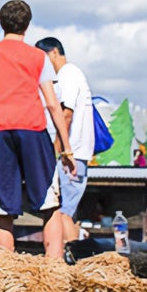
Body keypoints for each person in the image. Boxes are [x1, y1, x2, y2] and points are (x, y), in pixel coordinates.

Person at [0, 0, 75, 259]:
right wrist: (67, 149)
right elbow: (52, 104)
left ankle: (4, 268)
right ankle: (54, 267)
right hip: (33, 131)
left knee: (2, 208)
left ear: (1, 24)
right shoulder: (39, 57)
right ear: (27, 25)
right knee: (49, 204)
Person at [34, 37, 94, 243]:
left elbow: (66, 114)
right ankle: (66, 255)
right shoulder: (70, 75)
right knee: (63, 210)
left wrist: (56, 150)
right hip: (72, 151)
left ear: (53, 53)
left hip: (69, 154)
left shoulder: (68, 74)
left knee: (62, 211)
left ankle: (68, 257)